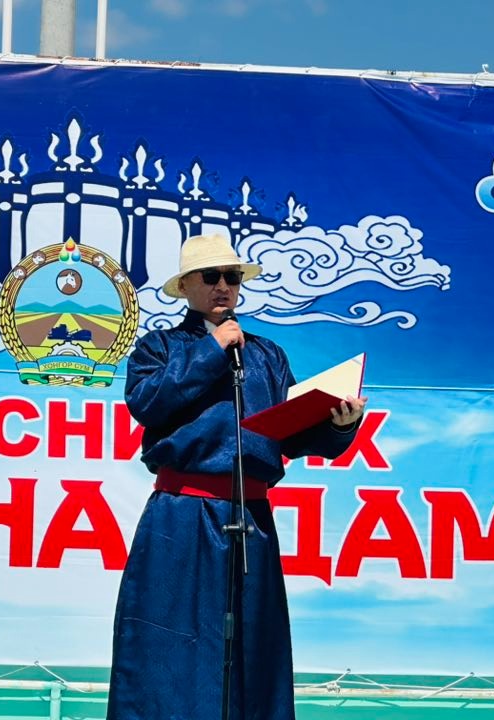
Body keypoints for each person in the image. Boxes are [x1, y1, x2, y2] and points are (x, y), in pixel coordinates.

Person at [106, 234, 366, 720]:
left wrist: (339, 426)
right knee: (166, 643)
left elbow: (291, 436)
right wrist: (212, 349)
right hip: (181, 514)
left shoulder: (267, 355)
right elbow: (148, 403)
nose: (223, 285)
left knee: (255, 643)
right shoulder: (159, 347)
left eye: (232, 276)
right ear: (186, 286)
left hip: (251, 516)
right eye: (211, 276)